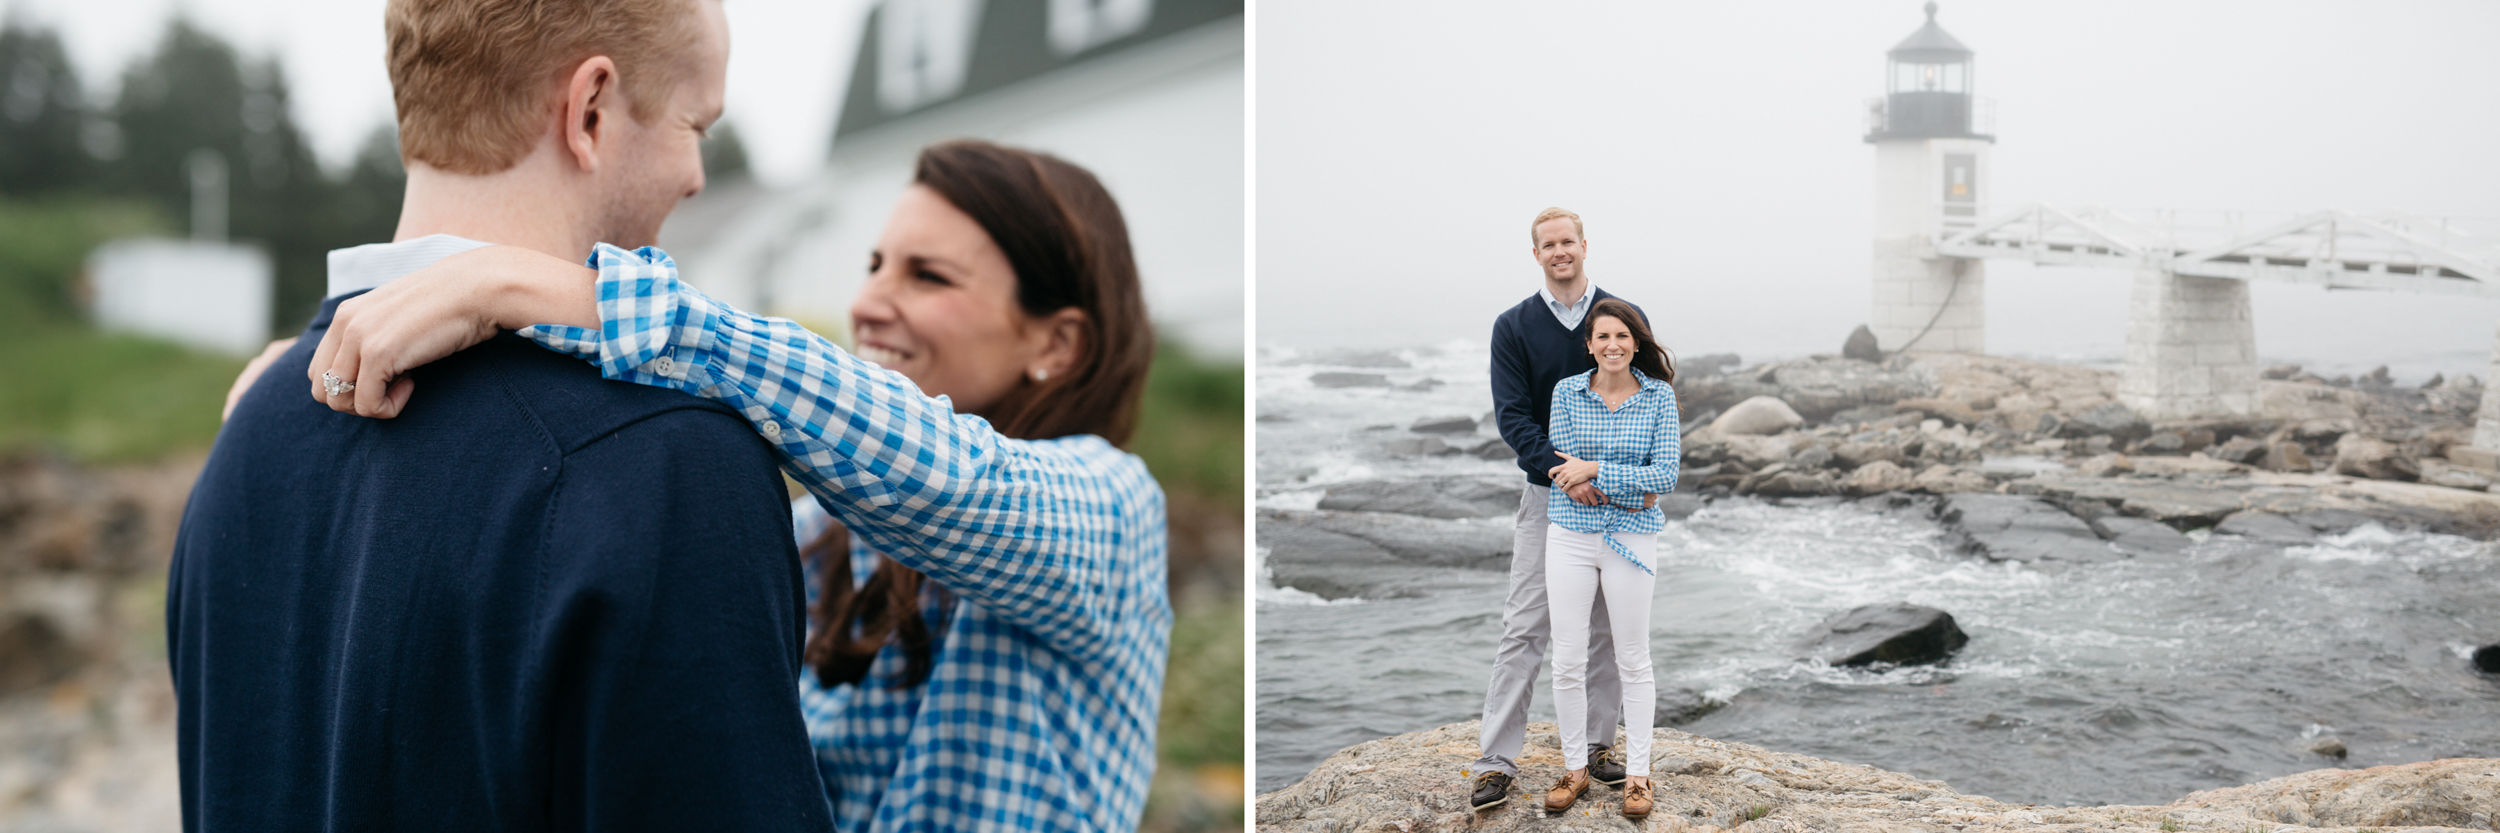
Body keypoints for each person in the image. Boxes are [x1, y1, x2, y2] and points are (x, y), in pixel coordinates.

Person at [286, 138, 1173, 833]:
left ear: (1055, 344)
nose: (871, 301)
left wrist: (578, 298)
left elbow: (960, 485)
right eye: (874, 264)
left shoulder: (1115, 509)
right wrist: (299, 394)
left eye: (927, 276)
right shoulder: (818, 536)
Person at [171, 0, 839, 829]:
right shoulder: (668, 464)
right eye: (694, 124)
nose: (696, 176)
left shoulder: (248, 430)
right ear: (589, 109)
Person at [1473, 207, 1651, 812]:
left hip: (1619, 500)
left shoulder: (1622, 318)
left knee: (1606, 629)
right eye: (1547, 244)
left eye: (1567, 241)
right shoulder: (1513, 326)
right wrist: (1561, 471)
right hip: (1548, 498)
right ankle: (1495, 762)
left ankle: (1600, 746)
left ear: (1583, 245)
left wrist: (1636, 481)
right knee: (1525, 627)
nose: (1559, 252)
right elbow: (1513, 417)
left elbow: (1651, 400)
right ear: (1537, 254)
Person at [1537, 298, 1679, 819]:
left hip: (1633, 540)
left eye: (1623, 336)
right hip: (1571, 536)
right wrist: (1626, 483)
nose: (1613, 345)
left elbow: (1664, 478)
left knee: (1632, 660)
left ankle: (1638, 777)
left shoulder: (1659, 397)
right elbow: (1563, 470)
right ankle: (1575, 769)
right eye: (1603, 337)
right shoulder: (1567, 393)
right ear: (1589, 345)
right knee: (1569, 658)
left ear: (1636, 342)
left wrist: (1596, 468)